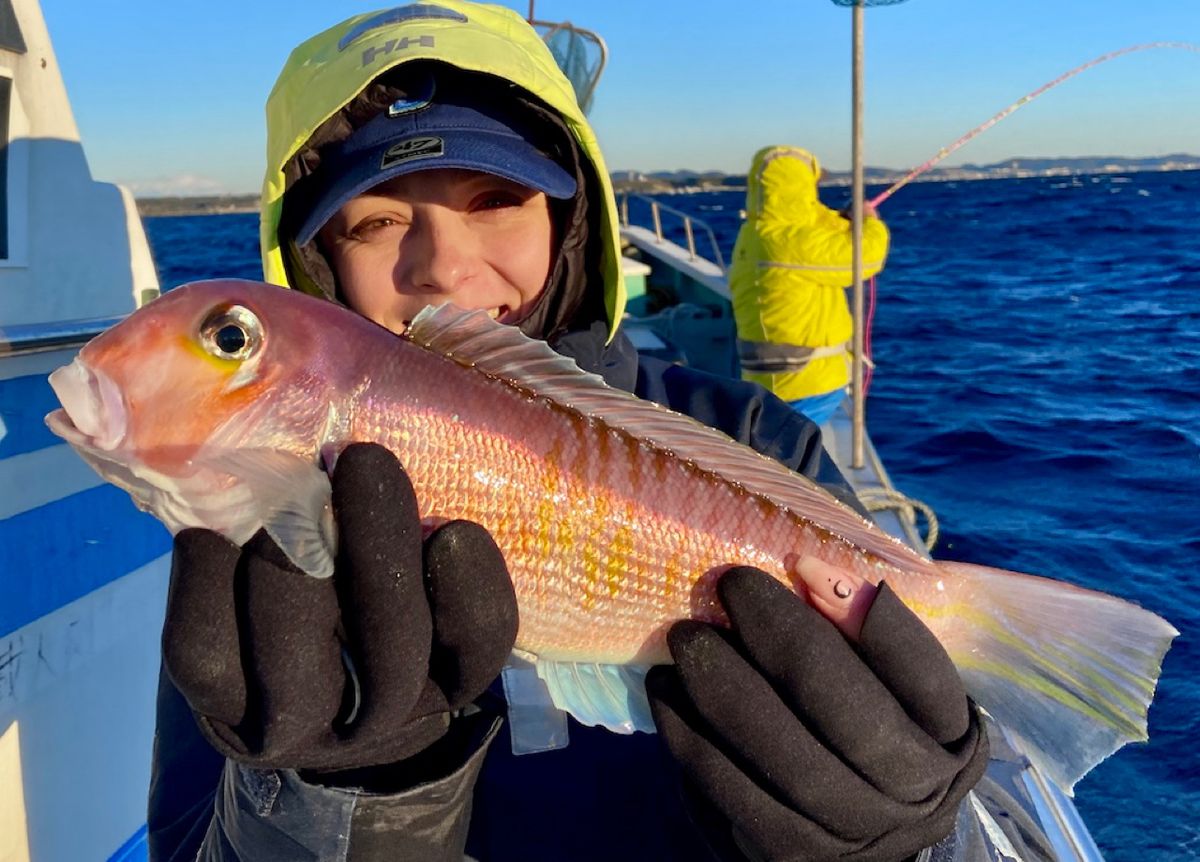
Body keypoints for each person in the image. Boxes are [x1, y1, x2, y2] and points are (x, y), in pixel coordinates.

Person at [147, 4, 987, 860]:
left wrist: (907, 838)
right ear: (318, 265)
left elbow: (931, 805)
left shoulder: (758, 439)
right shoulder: (269, 528)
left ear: (571, 218)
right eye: (374, 222)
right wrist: (335, 794)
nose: (442, 264)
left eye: (498, 199)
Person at [729, 145, 890, 426]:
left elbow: (815, 226)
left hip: (774, 377)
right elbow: (864, 258)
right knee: (785, 456)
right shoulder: (789, 241)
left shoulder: (758, 231)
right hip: (805, 380)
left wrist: (845, 218)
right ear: (798, 186)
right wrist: (870, 222)